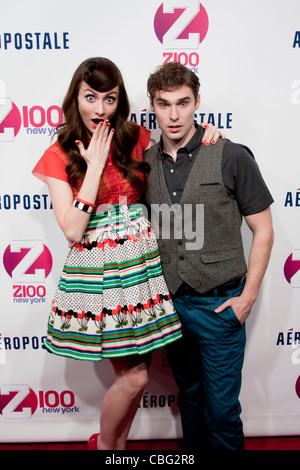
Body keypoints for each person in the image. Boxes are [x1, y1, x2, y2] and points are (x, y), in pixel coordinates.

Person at [32, 57, 221, 450]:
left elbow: (177, 149)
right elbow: (71, 228)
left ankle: (115, 449)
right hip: (101, 273)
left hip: (142, 268)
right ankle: (104, 446)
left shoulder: (133, 137)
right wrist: (95, 167)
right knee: (134, 378)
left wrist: (207, 135)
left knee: (139, 376)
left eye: (110, 98)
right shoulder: (59, 153)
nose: (99, 109)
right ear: (75, 98)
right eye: (90, 97)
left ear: (119, 101)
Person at [143, 61, 274, 451]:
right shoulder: (145, 163)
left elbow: (263, 230)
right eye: (164, 104)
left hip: (220, 305)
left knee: (221, 412)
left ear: (197, 102)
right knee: (191, 401)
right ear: (153, 105)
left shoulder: (231, 155)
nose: (174, 114)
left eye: (183, 103)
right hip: (172, 305)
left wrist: (247, 298)